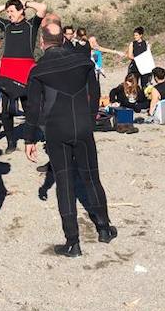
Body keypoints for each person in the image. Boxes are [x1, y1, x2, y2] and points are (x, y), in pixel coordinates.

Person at [24, 23, 115, 258]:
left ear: (42, 43)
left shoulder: (38, 70)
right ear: (64, 39)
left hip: (56, 131)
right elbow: (95, 92)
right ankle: (104, 229)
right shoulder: (83, 61)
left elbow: (33, 107)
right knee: (91, 178)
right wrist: (91, 118)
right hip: (83, 126)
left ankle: (72, 243)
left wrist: (29, 138)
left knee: (65, 184)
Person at [0, 0, 47, 153]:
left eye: (12, 11)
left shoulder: (31, 25)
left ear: (21, 12)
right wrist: (6, 6)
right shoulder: (7, 25)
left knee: (28, 107)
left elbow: (42, 8)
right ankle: (11, 142)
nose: (9, 14)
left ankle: (30, 137)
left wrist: (26, 4)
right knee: (6, 110)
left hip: (25, 70)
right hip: (8, 71)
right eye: (8, 12)